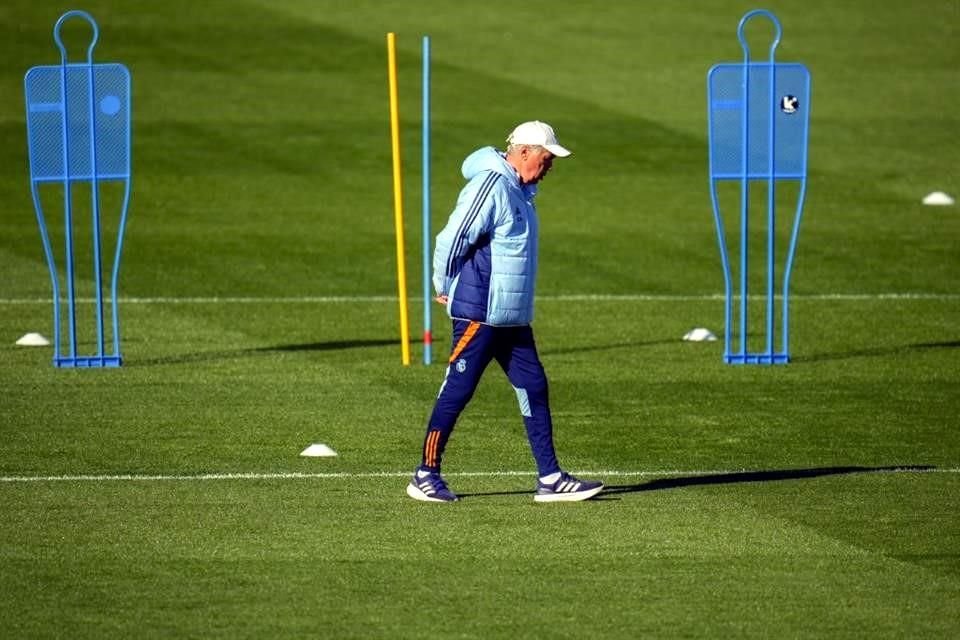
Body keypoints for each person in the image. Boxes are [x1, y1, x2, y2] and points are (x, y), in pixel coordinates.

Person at [406, 120, 604, 503]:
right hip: (479, 313)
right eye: (546, 159)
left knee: (534, 388)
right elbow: (454, 236)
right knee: (458, 390)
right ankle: (425, 474)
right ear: (525, 152)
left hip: (511, 317)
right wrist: (443, 283)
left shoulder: (520, 192)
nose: (549, 168)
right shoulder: (491, 186)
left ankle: (550, 478)